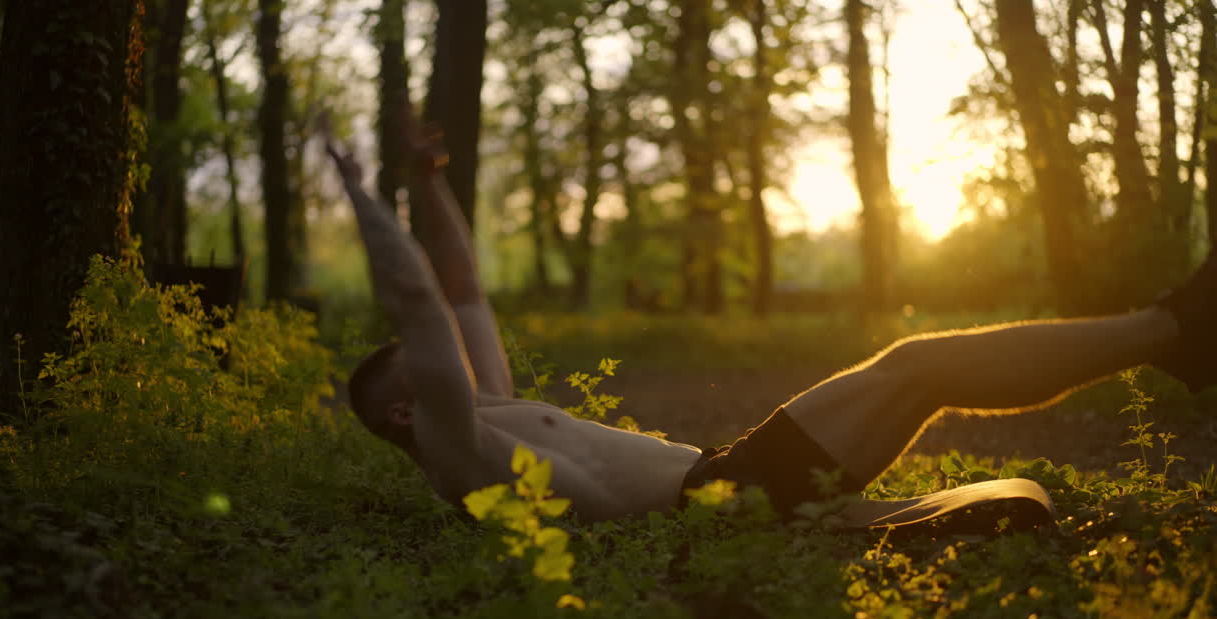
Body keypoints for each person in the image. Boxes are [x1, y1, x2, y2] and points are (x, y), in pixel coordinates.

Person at [322, 114, 1214, 524]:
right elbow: (427, 312)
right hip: (721, 502)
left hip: (729, 487)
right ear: (403, 411)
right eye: (419, 365)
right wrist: (361, 194)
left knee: (943, 452)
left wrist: (429, 182)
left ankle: (879, 528)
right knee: (916, 365)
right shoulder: (456, 454)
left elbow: (464, 291)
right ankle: (1177, 331)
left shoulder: (493, 418)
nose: (445, 359)